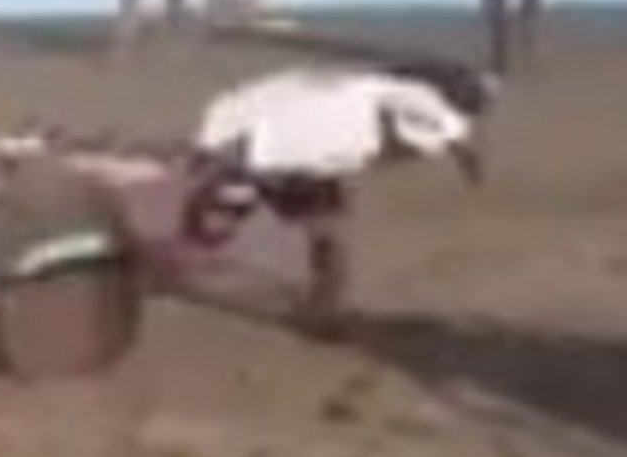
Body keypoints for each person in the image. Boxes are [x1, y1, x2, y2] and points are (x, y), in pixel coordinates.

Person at [162, 60, 493, 332]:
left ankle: (323, 313)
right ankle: (173, 255)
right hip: (263, 158)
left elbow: (438, 119)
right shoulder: (402, 97)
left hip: (297, 166)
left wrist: (463, 148)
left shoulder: (367, 92)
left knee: (330, 237)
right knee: (216, 226)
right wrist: (465, 152)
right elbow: (431, 113)